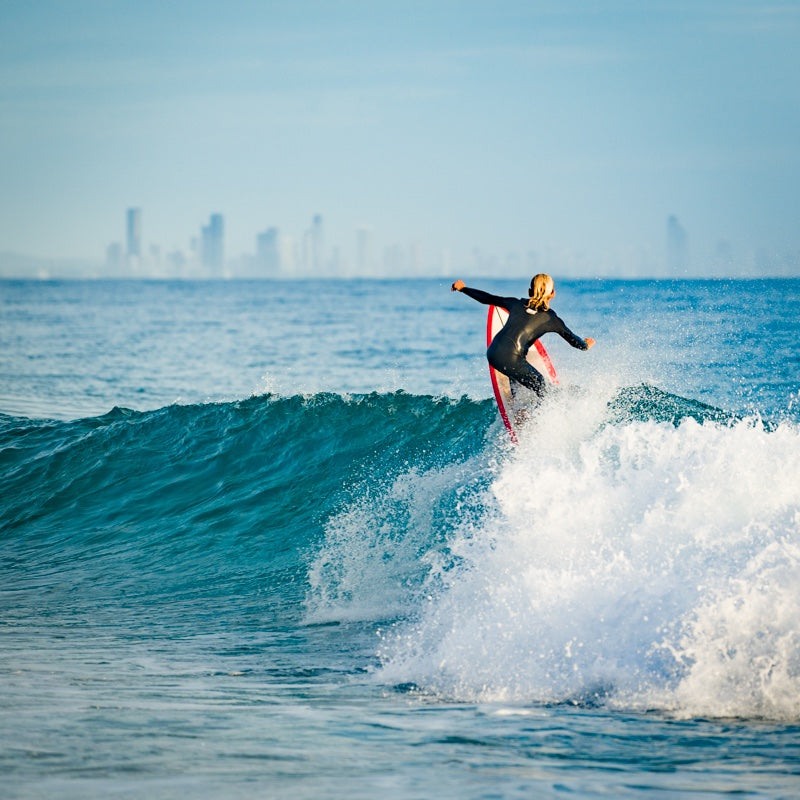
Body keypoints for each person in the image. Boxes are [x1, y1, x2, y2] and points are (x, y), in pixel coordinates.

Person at [451, 274, 595, 397]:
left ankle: (517, 403)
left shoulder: (515, 303)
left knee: (516, 369)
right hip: (511, 359)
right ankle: (535, 419)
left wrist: (463, 288)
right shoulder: (552, 319)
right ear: (552, 294)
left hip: (493, 352)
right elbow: (574, 342)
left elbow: (488, 298)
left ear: (529, 291)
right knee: (542, 386)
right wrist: (586, 345)